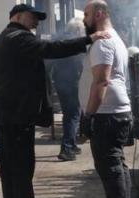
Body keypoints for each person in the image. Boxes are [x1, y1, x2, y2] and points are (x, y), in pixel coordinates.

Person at [0, 4, 108, 198]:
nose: (36, 21)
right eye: (33, 17)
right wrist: (88, 39)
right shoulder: (18, 37)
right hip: (16, 113)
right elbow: (51, 49)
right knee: (22, 166)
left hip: (8, 112)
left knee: (10, 166)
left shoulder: (5, 38)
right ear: (17, 16)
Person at [81, 1, 133, 198]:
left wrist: (89, 114)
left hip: (108, 114)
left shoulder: (102, 43)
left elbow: (101, 81)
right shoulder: (116, 38)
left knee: (110, 167)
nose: (84, 19)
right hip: (118, 112)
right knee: (118, 165)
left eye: (87, 14)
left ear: (99, 13)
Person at [52, 18, 86, 161]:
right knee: (73, 115)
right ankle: (66, 148)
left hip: (60, 82)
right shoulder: (75, 42)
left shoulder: (59, 39)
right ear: (78, 30)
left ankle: (71, 144)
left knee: (68, 114)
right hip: (72, 82)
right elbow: (80, 62)